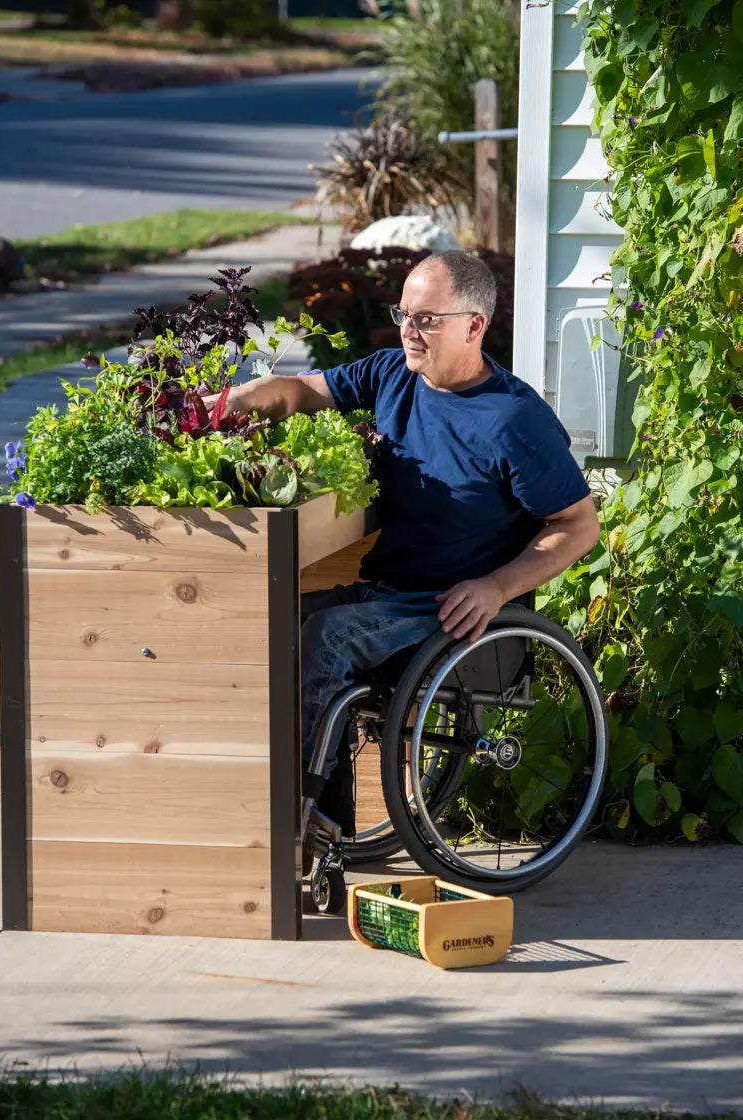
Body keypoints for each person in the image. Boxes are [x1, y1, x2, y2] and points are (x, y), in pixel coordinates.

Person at [207, 249, 600, 828]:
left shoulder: (514, 421)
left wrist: (496, 587)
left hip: (457, 611)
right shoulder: (393, 374)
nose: (409, 331)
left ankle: (310, 823)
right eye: (404, 314)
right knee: (262, 620)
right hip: (388, 595)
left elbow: (578, 526)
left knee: (327, 635)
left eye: (426, 319)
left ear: (474, 326)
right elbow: (303, 391)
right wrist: (234, 404)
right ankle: (299, 808)